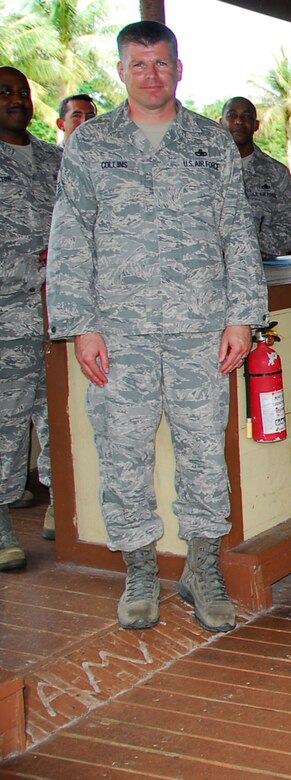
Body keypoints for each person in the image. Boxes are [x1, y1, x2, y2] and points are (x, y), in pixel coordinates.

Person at [47, 21, 268, 633]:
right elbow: (69, 239)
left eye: (162, 63)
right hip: (119, 336)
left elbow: (237, 234)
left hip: (202, 331)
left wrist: (241, 316)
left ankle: (203, 571)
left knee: (204, 455)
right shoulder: (90, 144)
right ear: (121, 71)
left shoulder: (211, 143)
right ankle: (140, 572)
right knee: (123, 455)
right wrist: (81, 325)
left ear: (179, 68)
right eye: (138, 64)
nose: (151, 75)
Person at [0, 66, 63, 570]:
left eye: (22, 92)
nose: (16, 100)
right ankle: (1, 523)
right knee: (6, 422)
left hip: (58, 318)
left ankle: (62, 505)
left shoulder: (55, 159)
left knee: (59, 415)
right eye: (4, 92)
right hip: (6, 320)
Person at [220, 96, 291, 259]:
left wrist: (253, 249)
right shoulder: (204, 171)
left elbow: (288, 224)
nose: (239, 121)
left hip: (263, 267)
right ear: (220, 123)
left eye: (247, 116)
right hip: (212, 269)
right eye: (232, 115)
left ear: (256, 125)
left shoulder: (276, 172)